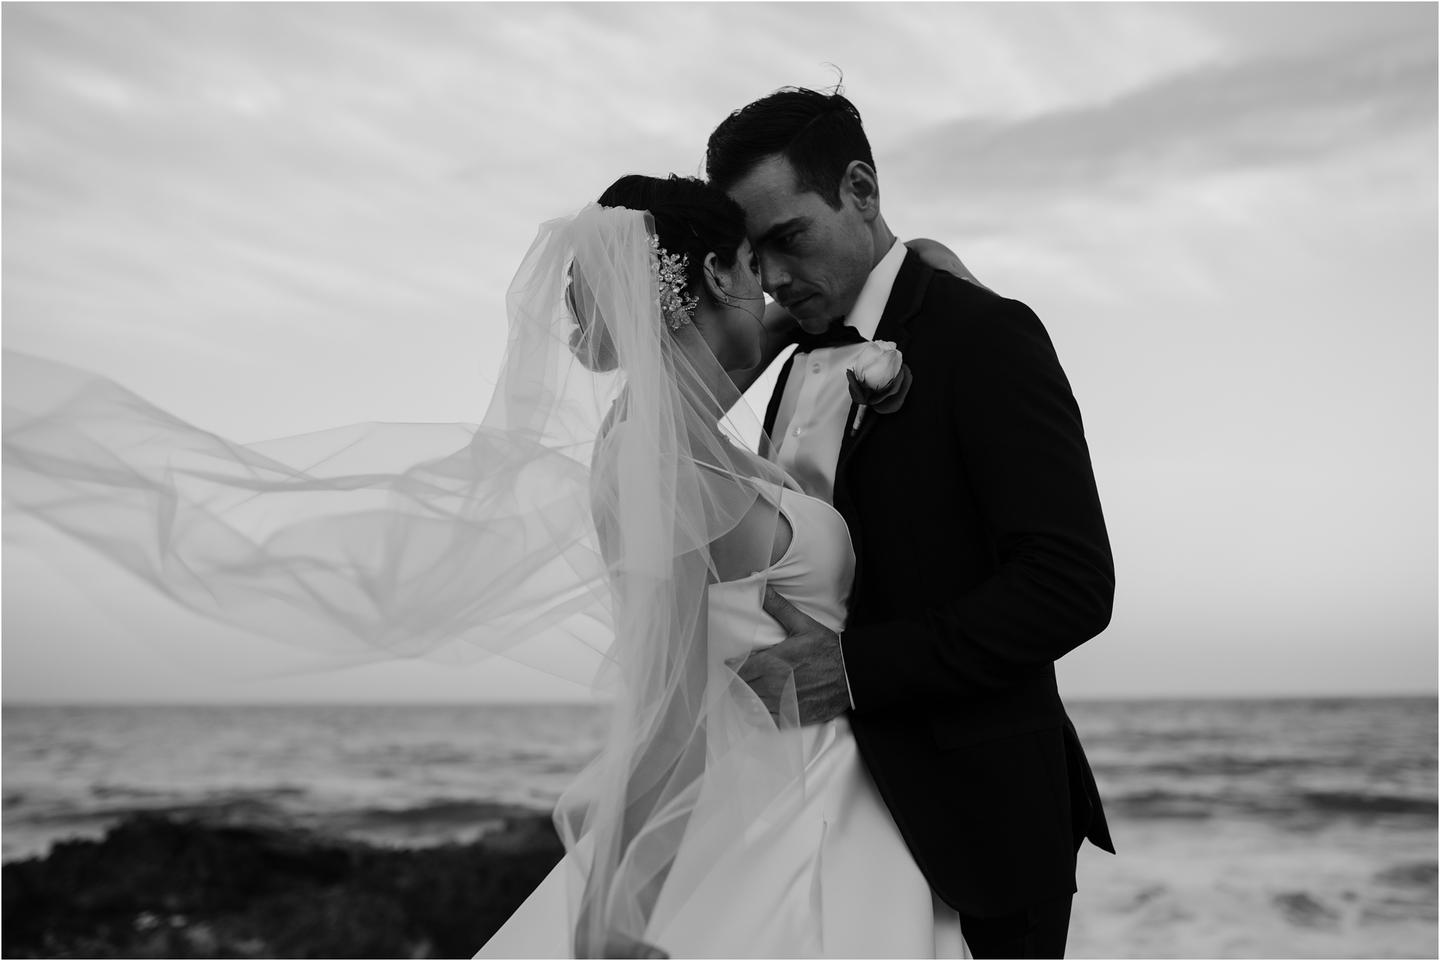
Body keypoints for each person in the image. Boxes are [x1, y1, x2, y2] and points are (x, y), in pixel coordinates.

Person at [4, 172, 973, 959]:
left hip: (839, 772)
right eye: (754, 269)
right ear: (718, 275)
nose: (772, 289)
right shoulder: (658, 458)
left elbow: (768, 333)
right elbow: (669, 711)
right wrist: (609, 908)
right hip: (787, 803)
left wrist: (921, 274)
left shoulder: (678, 427)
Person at [705, 87, 1117, 959]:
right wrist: (770, 335)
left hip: (978, 828)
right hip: (818, 818)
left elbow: (1070, 584)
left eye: (790, 238)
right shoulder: (793, 362)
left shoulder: (985, 336)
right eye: (755, 254)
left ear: (861, 188)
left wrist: (848, 671)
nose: (774, 277)